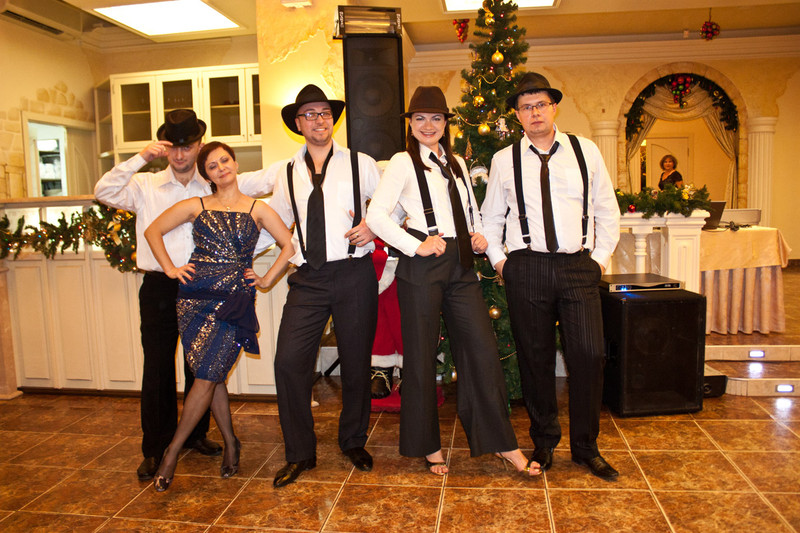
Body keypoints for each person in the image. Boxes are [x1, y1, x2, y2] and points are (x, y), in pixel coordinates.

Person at [366, 86, 541, 477]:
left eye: (436, 118)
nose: (428, 125)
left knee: (481, 351)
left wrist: (477, 234)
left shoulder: (457, 162)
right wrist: (415, 245)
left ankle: (502, 443)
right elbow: (377, 216)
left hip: (461, 266)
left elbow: (470, 209)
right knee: (420, 357)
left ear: (446, 124)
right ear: (411, 124)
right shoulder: (401, 163)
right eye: (420, 118)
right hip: (422, 267)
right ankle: (427, 446)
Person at [94, 109, 277, 482]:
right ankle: (155, 448)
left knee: (203, 367)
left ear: (198, 146)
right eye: (173, 147)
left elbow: (255, 210)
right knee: (158, 366)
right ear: (164, 148)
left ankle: (196, 436)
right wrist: (141, 157)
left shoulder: (211, 183)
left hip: (208, 287)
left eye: (188, 146)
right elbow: (104, 192)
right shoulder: (144, 185)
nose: (180, 154)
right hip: (161, 285)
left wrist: (240, 262)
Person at [481, 72, 621, 480]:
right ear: (518, 115)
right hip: (527, 268)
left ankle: (586, 447)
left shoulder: (585, 150)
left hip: (578, 266)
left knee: (589, 355)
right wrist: (501, 261)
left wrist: (598, 260)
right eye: (526, 107)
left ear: (554, 107)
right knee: (535, 358)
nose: (535, 112)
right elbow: (491, 217)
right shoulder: (504, 160)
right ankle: (544, 441)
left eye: (541, 104)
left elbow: (606, 210)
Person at [143, 141, 294, 491]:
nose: (221, 168)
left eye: (225, 160)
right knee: (211, 376)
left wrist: (266, 278)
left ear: (235, 164)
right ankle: (231, 442)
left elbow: (289, 245)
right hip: (193, 300)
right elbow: (152, 231)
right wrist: (170, 269)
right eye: (212, 165)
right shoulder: (196, 205)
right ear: (207, 175)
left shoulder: (258, 208)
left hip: (233, 302)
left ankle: (171, 452)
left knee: (208, 374)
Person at [267, 84, 382, 487]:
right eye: (310, 114)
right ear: (298, 124)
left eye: (325, 113)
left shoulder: (361, 164)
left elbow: (395, 205)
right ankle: (300, 453)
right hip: (308, 279)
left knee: (356, 363)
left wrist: (373, 226)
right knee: (288, 362)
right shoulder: (286, 172)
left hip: (354, 274)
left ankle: (353, 440)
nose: (319, 120)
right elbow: (274, 222)